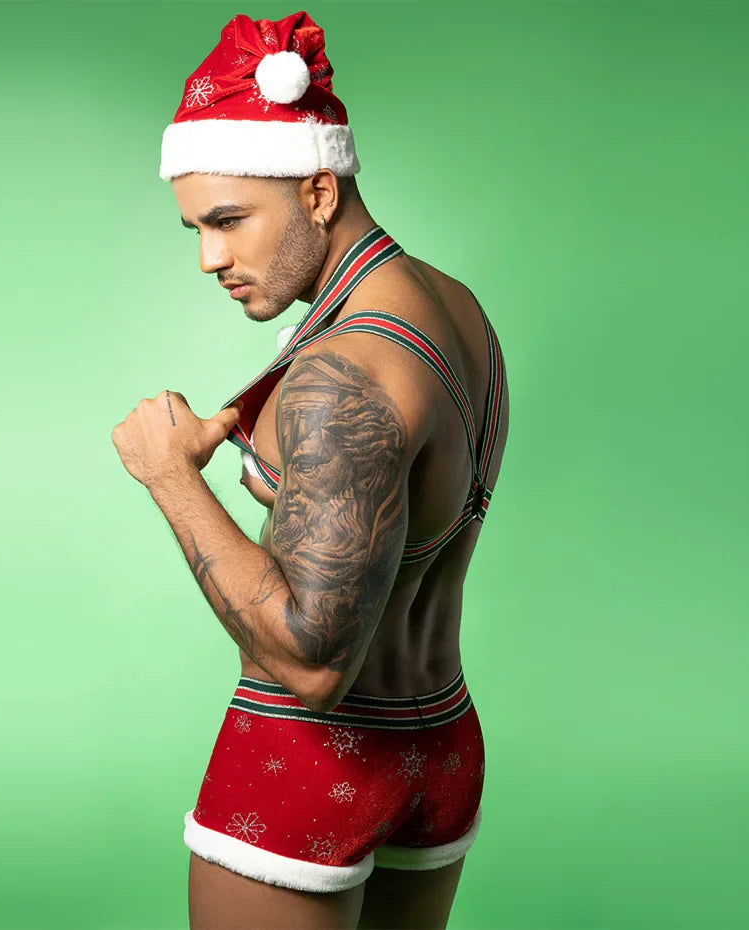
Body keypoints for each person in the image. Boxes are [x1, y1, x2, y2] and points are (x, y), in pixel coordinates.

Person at [111, 10, 509, 929]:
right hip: (442, 742)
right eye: (194, 228)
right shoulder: (455, 307)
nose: (210, 257)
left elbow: (314, 663)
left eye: (229, 221)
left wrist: (171, 477)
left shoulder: (343, 371)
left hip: (312, 757)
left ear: (319, 190)